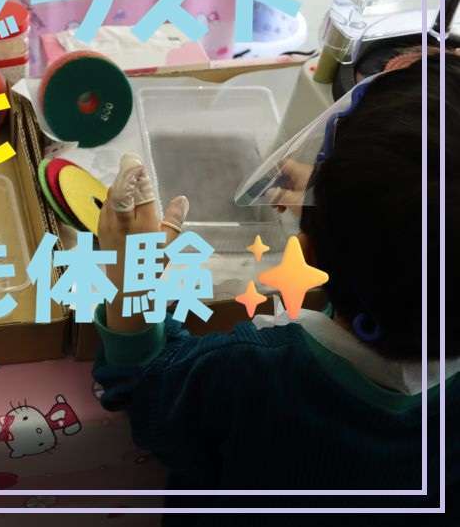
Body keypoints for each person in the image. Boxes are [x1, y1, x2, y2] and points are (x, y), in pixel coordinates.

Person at [93, 51, 459, 524]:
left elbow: (145, 391)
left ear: (307, 252)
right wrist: (349, 208)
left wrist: (133, 275)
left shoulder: (250, 373)